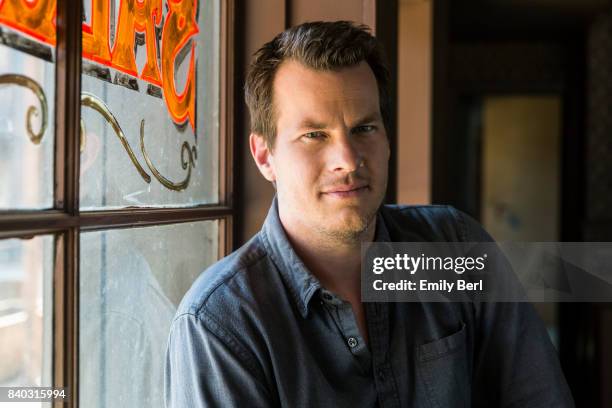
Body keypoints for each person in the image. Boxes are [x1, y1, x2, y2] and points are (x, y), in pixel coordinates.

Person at [165, 21, 573, 407]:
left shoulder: (452, 245)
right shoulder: (219, 325)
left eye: (364, 128)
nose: (347, 159)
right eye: (314, 135)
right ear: (265, 156)